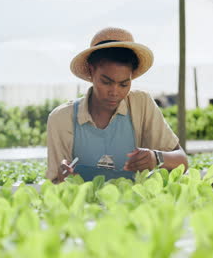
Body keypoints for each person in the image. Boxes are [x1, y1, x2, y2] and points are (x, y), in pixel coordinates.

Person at [47, 27, 188, 183]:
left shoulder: (141, 104)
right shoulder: (61, 118)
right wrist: (63, 178)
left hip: (134, 205)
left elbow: (182, 160)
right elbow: (55, 183)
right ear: (91, 71)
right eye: (106, 82)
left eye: (123, 84)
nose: (114, 92)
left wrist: (156, 157)